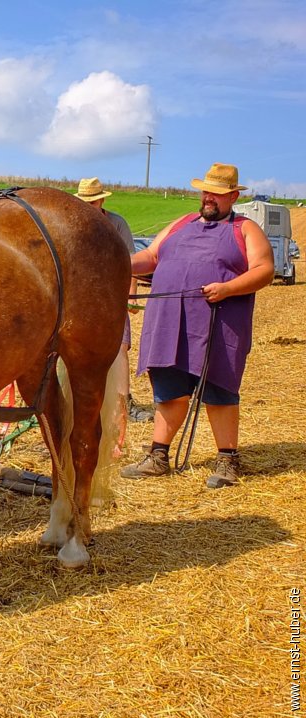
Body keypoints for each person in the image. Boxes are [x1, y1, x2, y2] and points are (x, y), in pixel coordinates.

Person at [120, 163, 274, 488]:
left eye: (217, 194)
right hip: (167, 321)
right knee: (168, 391)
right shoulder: (181, 224)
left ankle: (227, 459)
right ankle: (158, 456)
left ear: (233, 195)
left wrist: (228, 288)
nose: (209, 198)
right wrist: (115, 263)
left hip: (219, 324)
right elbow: (151, 256)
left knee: (219, 390)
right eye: (206, 191)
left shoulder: (245, 229)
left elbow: (264, 270)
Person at [74, 177, 140, 456]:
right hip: (81, 301)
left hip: (112, 300)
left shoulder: (117, 224)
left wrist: (132, 297)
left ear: (101, 201)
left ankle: (123, 406)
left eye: (92, 202)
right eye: (84, 203)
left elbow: (131, 263)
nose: (88, 207)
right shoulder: (74, 224)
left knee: (119, 351)